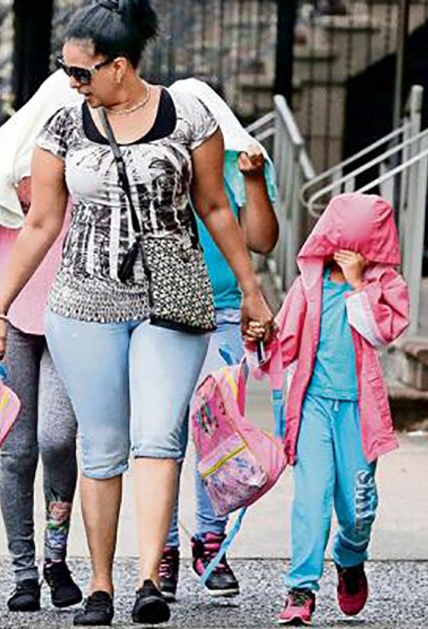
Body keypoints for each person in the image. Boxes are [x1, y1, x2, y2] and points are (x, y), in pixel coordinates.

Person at [0, 1, 275, 625]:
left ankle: (146, 582)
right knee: (103, 447)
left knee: (159, 438)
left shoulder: (188, 117)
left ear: (119, 66)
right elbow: (39, 223)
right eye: (66, 71)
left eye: (81, 72)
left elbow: (216, 208)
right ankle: (102, 585)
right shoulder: (61, 127)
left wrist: (250, 288)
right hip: (84, 302)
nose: (72, 83)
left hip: (171, 298)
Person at [0, 69, 83, 613]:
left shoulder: (86, 156)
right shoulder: (1, 157)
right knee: (17, 450)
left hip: (73, 314)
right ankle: (25, 570)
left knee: (57, 439)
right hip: (8, 320)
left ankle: (57, 555)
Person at [159, 77, 280, 601]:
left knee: (217, 429)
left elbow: (261, 241)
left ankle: (210, 541)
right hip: (159, 309)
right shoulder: (157, 159)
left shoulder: (242, 162)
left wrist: (252, 182)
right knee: (162, 433)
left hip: (225, 311)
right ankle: (160, 547)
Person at [267, 193, 409, 625]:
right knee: (311, 498)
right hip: (313, 406)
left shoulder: (384, 285)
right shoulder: (309, 284)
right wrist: (261, 339)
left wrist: (358, 284)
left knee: (358, 507)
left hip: (359, 413)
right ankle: (300, 589)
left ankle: (351, 558)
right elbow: (284, 340)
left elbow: (380, 332)